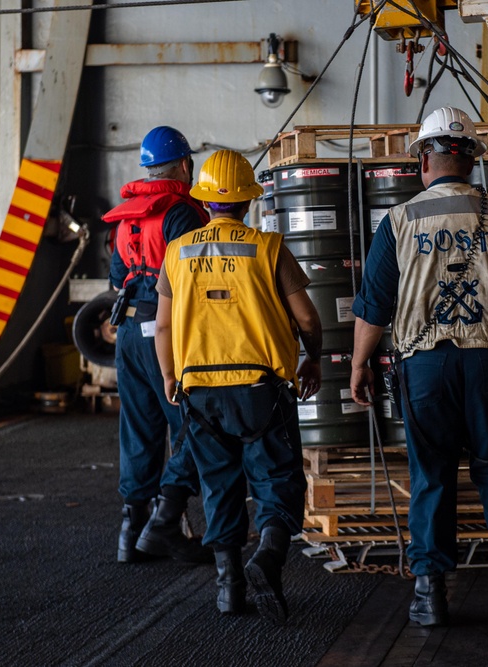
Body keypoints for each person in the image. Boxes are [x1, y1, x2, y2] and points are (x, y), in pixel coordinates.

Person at [349, 107, 488, 626]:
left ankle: (430, 595)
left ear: (423, 160)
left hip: (425, 366)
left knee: (432, 475)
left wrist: (358, 367)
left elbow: (373, 307)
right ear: (471, 162)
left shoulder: (398, 220)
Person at [154, 149, 322, 622]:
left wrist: (170, 375)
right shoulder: (269, 248)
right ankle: (267, 557)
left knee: (218, 485)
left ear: (205, 202)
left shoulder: (177, 254)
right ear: (249, 202)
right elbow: (307, 317)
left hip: (200, 394)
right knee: (277, 480)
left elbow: (163, 328)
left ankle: (228, 591)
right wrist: (313, 357)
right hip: (261, 390)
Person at [103, 125, 212, 565]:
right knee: (195, 423)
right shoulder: (181, 214)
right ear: (185, 165)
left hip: (127, 333)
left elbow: (116, 277)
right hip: (163, 333)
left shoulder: (128, 214)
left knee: (139, 429)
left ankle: (131, 532)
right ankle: (165, 520)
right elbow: (195, 280)